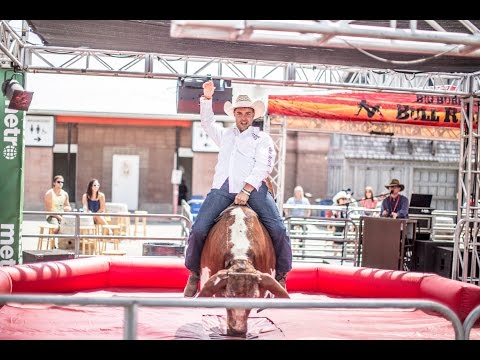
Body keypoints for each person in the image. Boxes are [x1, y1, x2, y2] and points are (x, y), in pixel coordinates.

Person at [183, 80, 292, 297]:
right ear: (235, 115)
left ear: (253, 116)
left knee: (279, 229)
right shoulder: (225, 135)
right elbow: (206, 123)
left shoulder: (262, 139)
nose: (243, 117)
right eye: (240, 112)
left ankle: (281, 275)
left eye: (247, 113)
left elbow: (264, 166)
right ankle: (194, 273)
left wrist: (246, 190)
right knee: (198, 229)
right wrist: (207, 98)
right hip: (222, 188)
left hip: (254, 189)